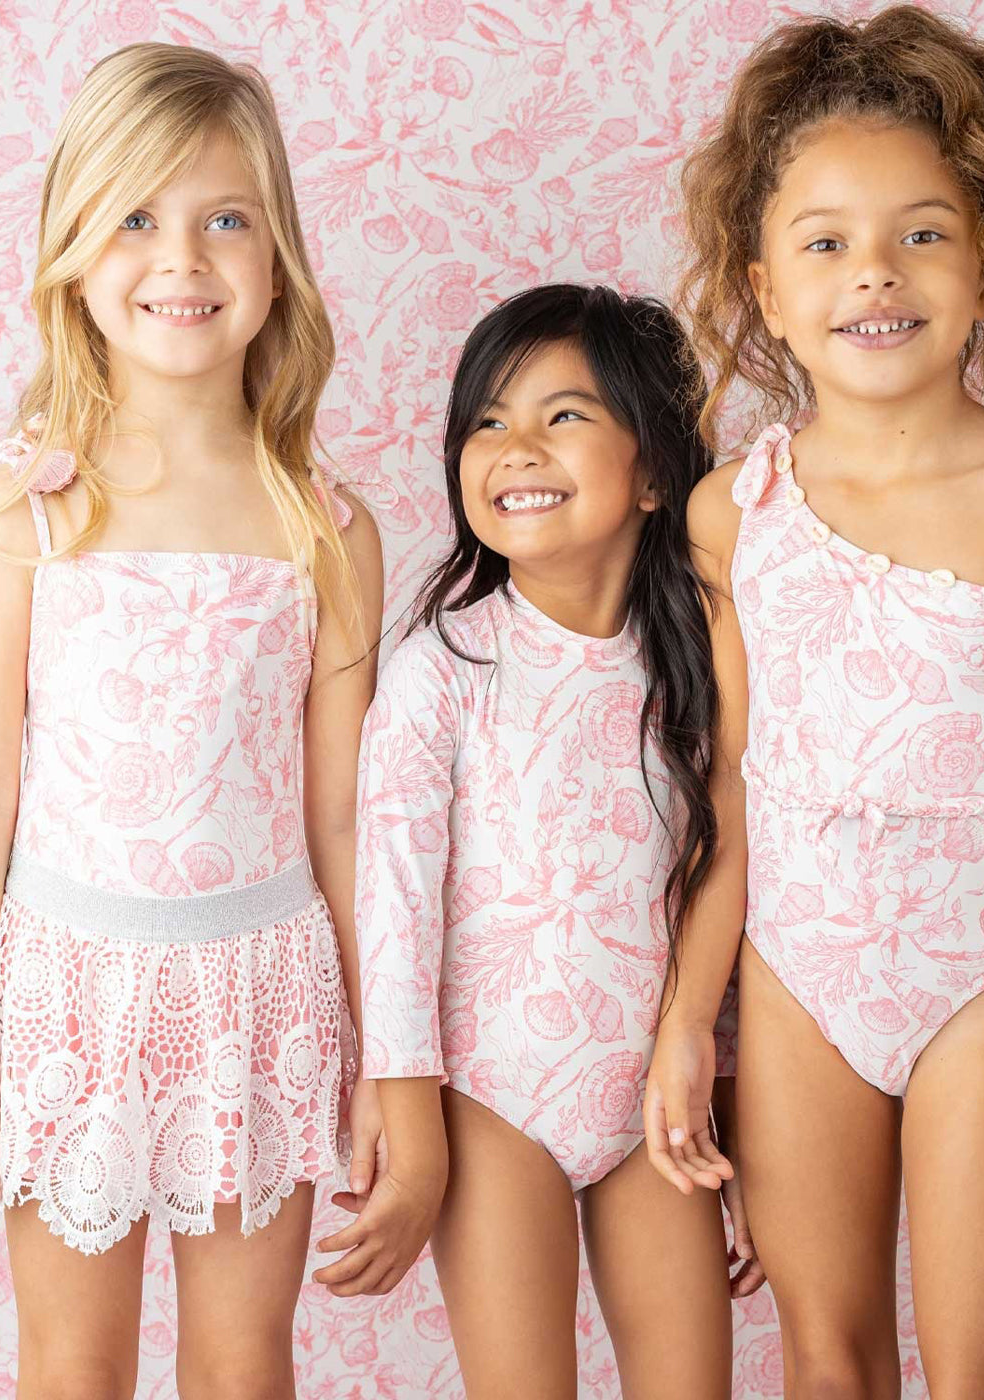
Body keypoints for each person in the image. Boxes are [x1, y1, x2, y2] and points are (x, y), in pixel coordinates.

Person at [646, 8, 984, 1398]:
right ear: (766, 289)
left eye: (922, 233)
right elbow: (733, 791)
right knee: (828, 1358)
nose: (874, 271)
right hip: (795, 982)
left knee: (978, 1371)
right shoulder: (730, 514)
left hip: (980, 983)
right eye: (826, 244)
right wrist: (690, 1022)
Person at [0, 43, 383, 1400]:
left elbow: (342, 816)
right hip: (67, 996)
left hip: (262, 995)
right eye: (134, 216)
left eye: (224, 217)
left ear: (277, 258)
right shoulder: (26, 508)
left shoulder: (326, 527)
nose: (181, 258)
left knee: (242, 1365)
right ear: (73, 254)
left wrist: (375, 1058)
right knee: (73, 1366)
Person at [317, 284, 759, 1400]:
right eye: (487, 420)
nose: (516, 446)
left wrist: (737, 1114)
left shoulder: (701, 674)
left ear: (654, 472)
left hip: (653, 1108)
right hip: (487, 1101)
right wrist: (415, 1145)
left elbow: (727, 891)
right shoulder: (442, 672)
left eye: (564, 415)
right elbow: (394, 911)